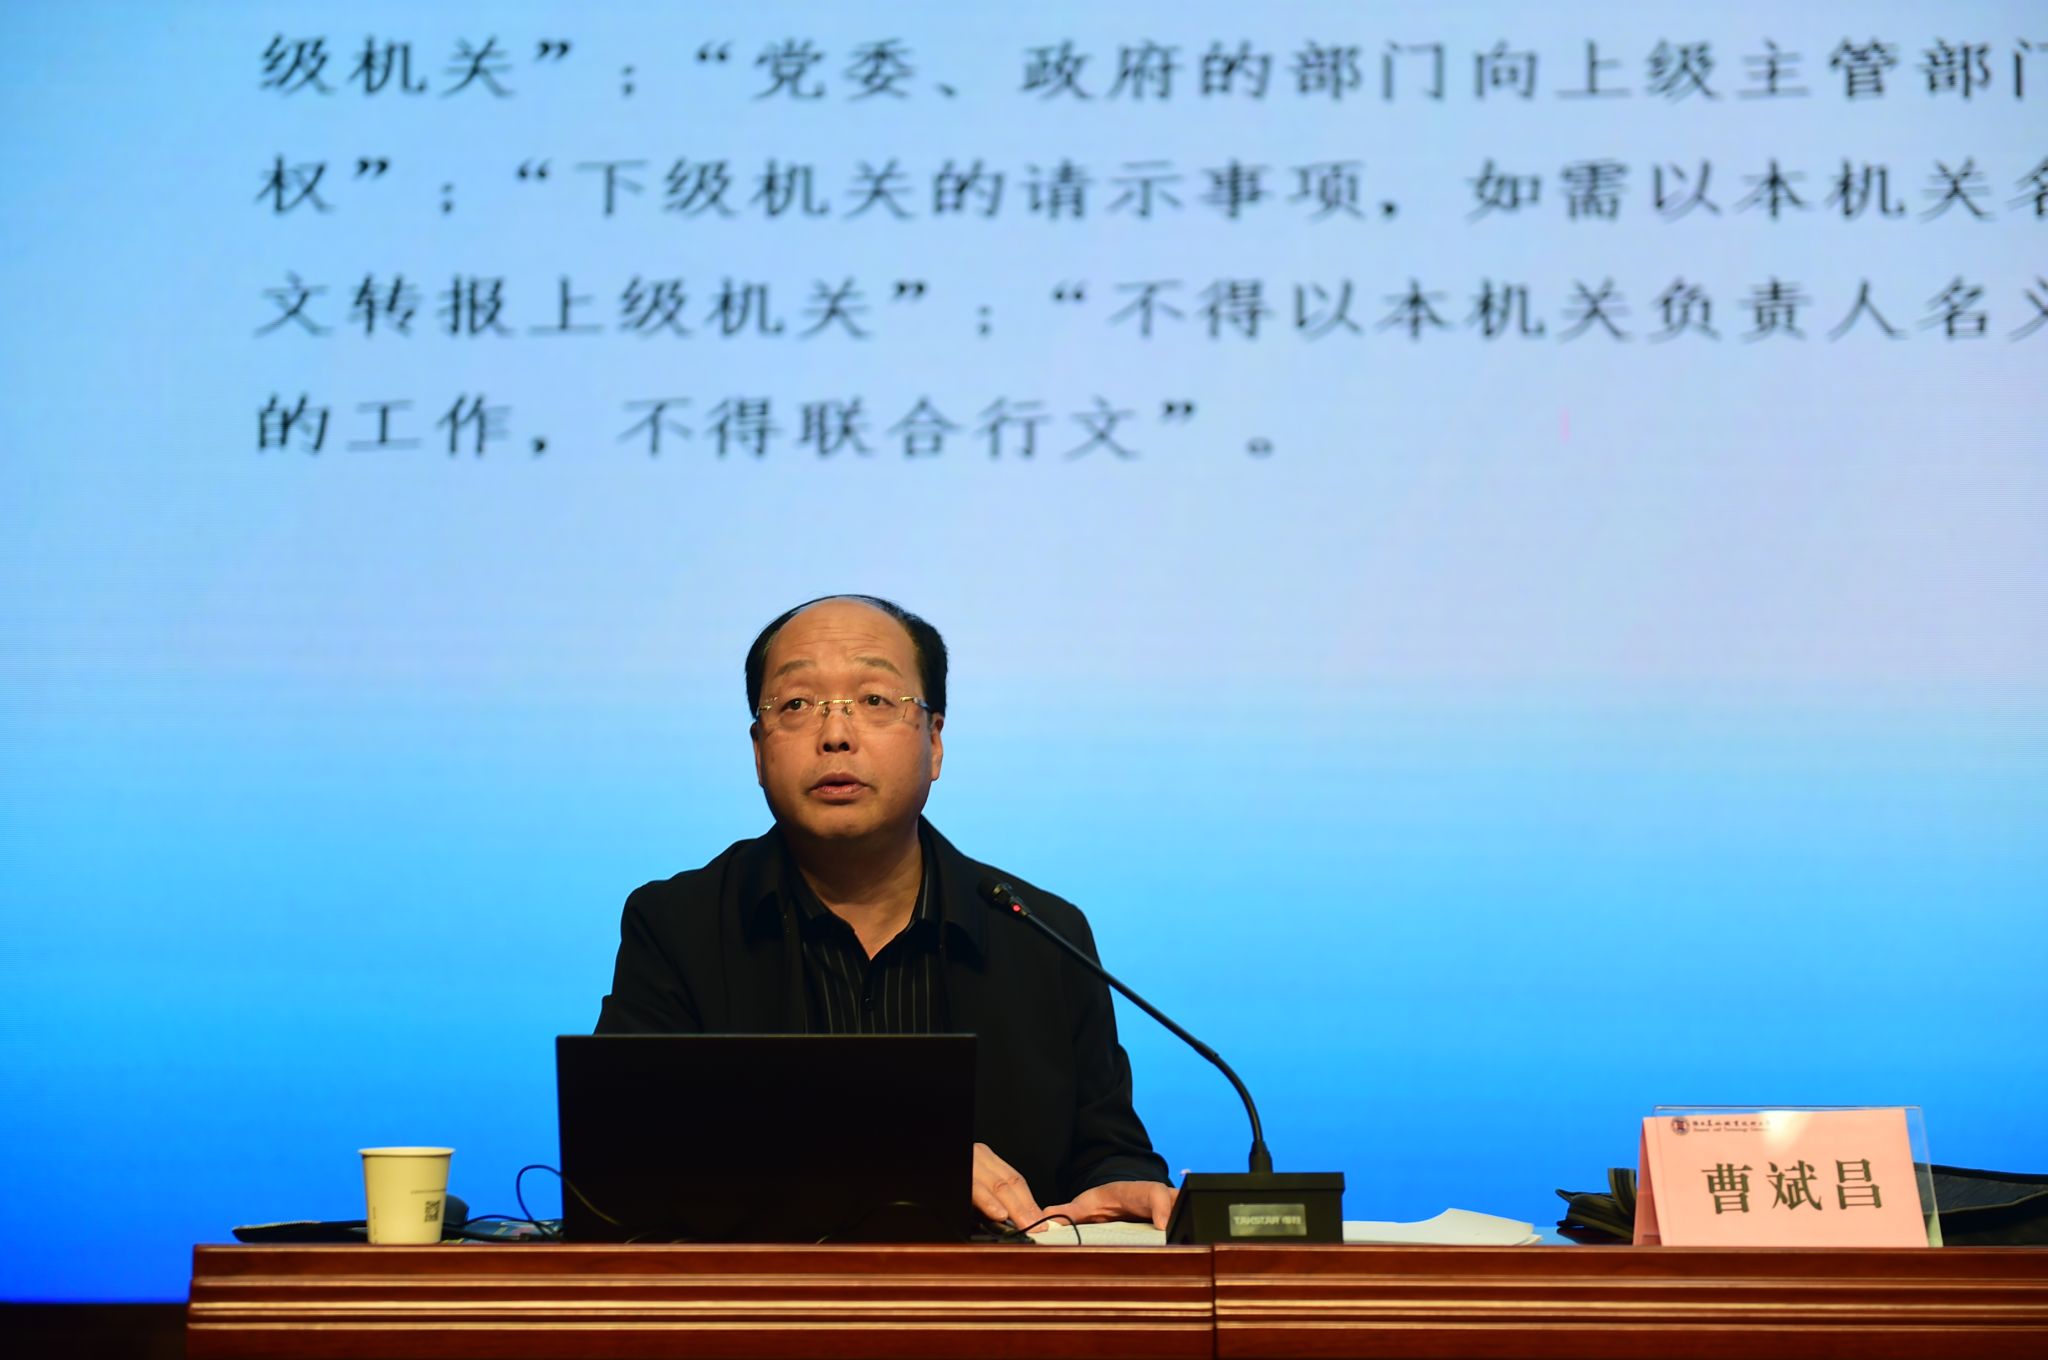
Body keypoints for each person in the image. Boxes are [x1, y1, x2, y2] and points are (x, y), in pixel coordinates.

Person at [596, 595, 1174, 1231]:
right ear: (759, 751)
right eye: (797, 705)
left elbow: (1105, 1150)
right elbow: (624, 1164)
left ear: (934, 742)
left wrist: (1125, 1185)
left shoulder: (1042, 935)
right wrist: (898, 1160)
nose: (835, 734)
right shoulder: (677, 927)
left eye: (874, 700)